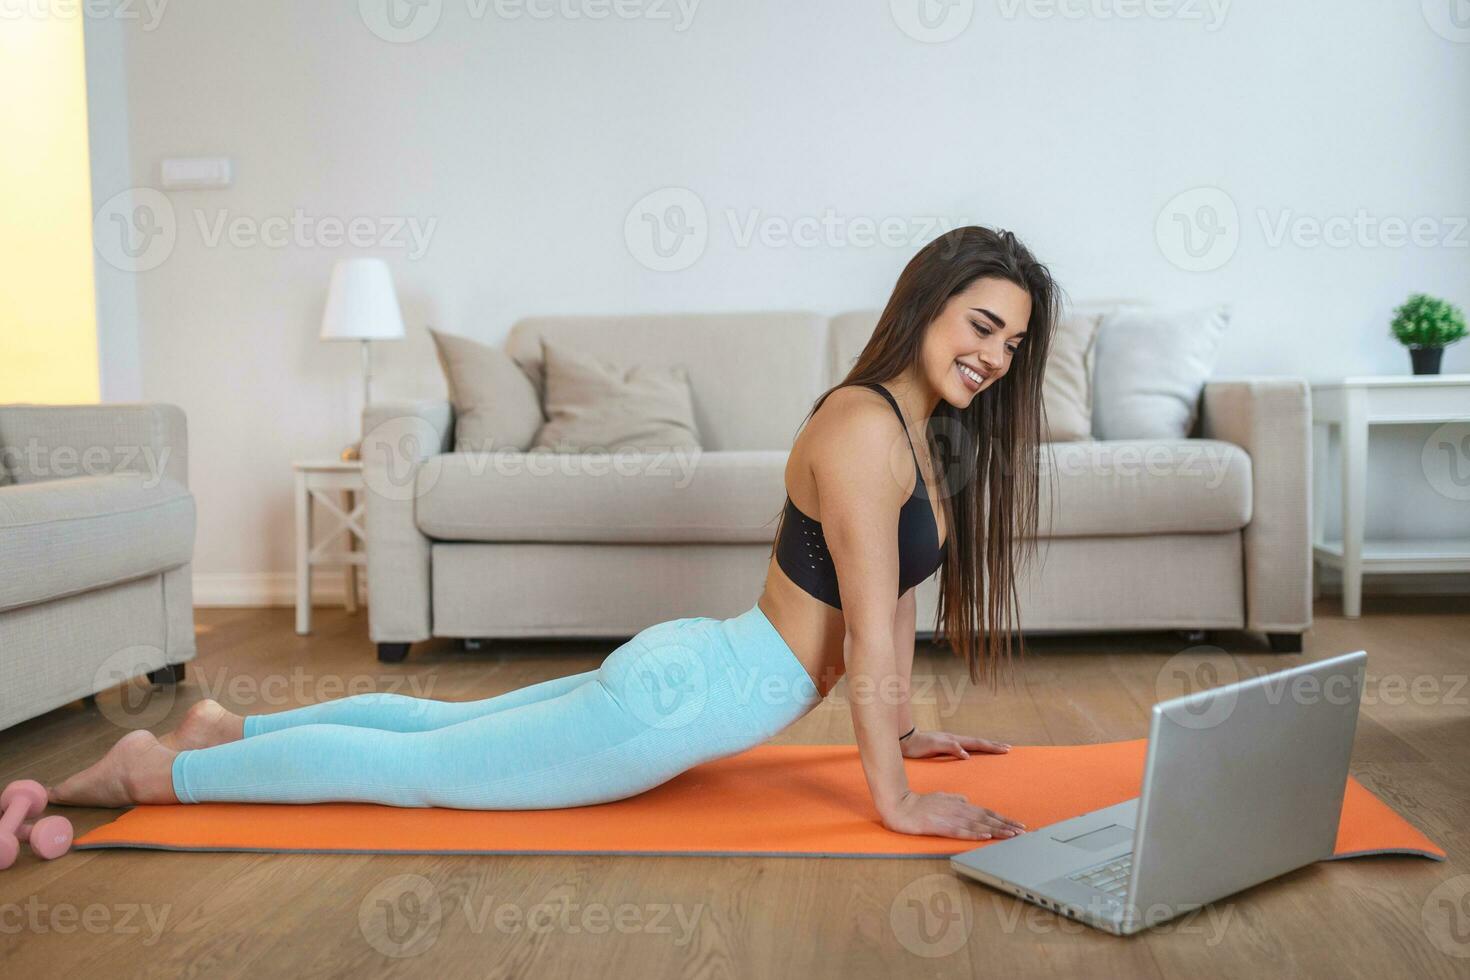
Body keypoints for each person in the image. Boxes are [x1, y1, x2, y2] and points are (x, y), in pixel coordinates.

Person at [51, 225, 1059, 842]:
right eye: (981, 324)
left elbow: (889, 600)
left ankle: (230, 730)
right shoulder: (860, 427)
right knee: (422, 776)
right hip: (682, 701)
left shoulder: (918, 430)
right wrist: (896, 796)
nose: (995, 355)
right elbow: (872, 636)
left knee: (440, 730)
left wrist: (912, 730)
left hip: (698, 670)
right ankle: (157, 771)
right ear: (929, 304)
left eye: (1012, 341)